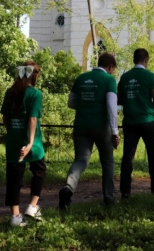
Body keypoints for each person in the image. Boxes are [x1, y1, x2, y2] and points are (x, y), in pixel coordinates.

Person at [59, 52, 119, 209]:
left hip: (81, 126)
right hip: (101, 127)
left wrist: (86, 105)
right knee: (107, 161)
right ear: (110, 67)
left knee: (81, 160)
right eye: (113, 69)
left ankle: (68, 188)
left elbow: (71, 102)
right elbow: (112, 107)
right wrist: (115, 131)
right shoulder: (109, 80)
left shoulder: (81, 78)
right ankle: (108, 197)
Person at [118, 48, 154, 198]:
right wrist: (148, 106)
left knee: (128, 156)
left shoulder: (125, 77)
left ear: (134, 59)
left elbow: (119, 99)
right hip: (148, 121)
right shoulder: (149, 76)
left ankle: (125, 191)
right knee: (153, 155)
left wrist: (131, 103)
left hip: (130, 122)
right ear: (146, 60)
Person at [1, 61, 46, 227]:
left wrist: (12, 130)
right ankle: (33, 206)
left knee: (14, 178)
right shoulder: (35, 94)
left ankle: (15, 216)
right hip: (32, 142)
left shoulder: (10, 92)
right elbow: (33, 118)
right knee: (39, 170)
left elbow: (5, 117)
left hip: (13, 140)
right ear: (35, 76)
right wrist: (30, 142)